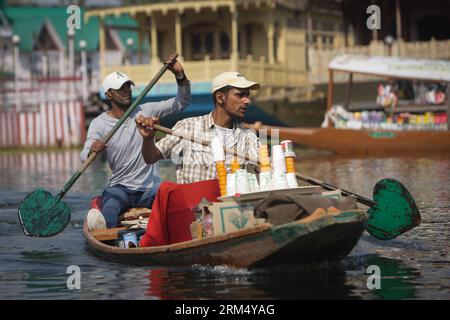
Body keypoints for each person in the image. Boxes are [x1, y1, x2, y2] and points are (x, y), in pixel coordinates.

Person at [82, 53, 191, 230]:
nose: (127, 91)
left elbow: (183, 101)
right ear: (108, 94)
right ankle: (111, 240)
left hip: (150, 188)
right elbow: (84, 155)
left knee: (177, 204)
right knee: (109, 212)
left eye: (128, 87)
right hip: (120, 188)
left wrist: (180, 74)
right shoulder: (99, 123)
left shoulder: (147, 110)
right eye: (121, 89)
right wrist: (93, 149)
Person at [135, 71, 260, 183]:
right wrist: (148, 138)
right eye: (240, 95)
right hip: (192, 206)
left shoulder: (248, 136)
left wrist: (272, 163)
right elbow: (151, 157)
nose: (247, 101)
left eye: (247, 95)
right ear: (220, 97)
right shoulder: (188, 127)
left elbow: (263, 166)